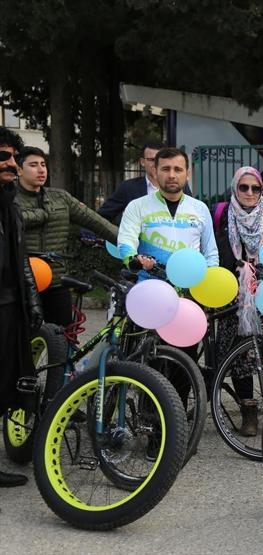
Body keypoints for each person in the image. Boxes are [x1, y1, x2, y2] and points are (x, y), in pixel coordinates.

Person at [213, 166, 263, 437]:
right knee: (239, 354)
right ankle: (249, 412)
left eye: (255, 188)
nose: (249, 192)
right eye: (243, 187)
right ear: (235, 188)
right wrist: (232, 267)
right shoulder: (221, 213)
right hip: (231, 292)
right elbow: (212, 248)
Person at [14, 146, 118, 326]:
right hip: (21, 283)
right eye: (33, 165)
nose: (41, 170)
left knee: (62, 338)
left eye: (43, 165)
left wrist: (132, 242)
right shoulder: (9, 197)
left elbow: (97, 223)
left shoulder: (60, 197)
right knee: (22, 340)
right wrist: (39, 215)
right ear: (19, 169)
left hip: (56, 282)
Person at [0, 127, 41, 489]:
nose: (11, 163)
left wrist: (31, 300)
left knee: (6, 382)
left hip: (10, 307)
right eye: (5, 156)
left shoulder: (8, 204)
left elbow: (21, 260)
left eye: (14, 156)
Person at [118, 147, 219, 274]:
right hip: (149, 287)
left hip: (191, 288)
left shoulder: (200, 208)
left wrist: (210, 281)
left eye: (178, 169)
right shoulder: (137, 206)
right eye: (165, 169)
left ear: (187, 174)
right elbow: (126, 241)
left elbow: (211, 254)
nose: (171, 175)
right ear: (155, 172)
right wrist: (133, 260)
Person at [98, 140, 191, 223]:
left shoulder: (179, 187)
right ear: (142, 162)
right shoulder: (128, 188)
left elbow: (191, 216)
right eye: (152, 160)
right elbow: (102, 216)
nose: (155, 164)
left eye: (159, 160)